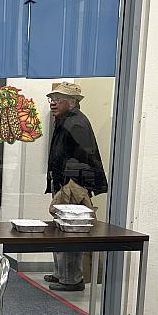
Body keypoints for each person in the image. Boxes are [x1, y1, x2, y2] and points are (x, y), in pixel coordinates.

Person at [45, 82, 108, 292]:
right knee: (60, 229)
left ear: (72, 103)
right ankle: (61, 273)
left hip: (72, 185)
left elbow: (85, 157)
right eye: (51, 98)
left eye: (58, 99)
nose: (53, 102)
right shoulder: (65, 120)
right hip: (64, 183)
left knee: (70, 232)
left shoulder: (76, 123)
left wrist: (72, 182)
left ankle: (72, 279)